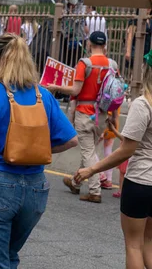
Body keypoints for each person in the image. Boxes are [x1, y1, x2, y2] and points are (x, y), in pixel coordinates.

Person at [0, 33, 77, 268]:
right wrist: (34, 149)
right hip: (36, 187)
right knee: (10, 254)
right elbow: (70, 140)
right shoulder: (43, 95)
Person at [74, 50, 152, 268]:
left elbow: (126, 150)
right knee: (149, 241)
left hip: (141, 182)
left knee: (134, 245)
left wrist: (91, 170)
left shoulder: (143, 104)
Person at [47, 31, 118, 203]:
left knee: (88, 152)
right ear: (105, 45)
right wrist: (114, 117)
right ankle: (75, 182)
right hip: (101, 114)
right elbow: (116, 92)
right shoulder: (113, 64)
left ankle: (95, 191)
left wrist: (56, 86)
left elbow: (76, 91)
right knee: (90, 150)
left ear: (89, 44)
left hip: (85, 112)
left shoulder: (84, 63)